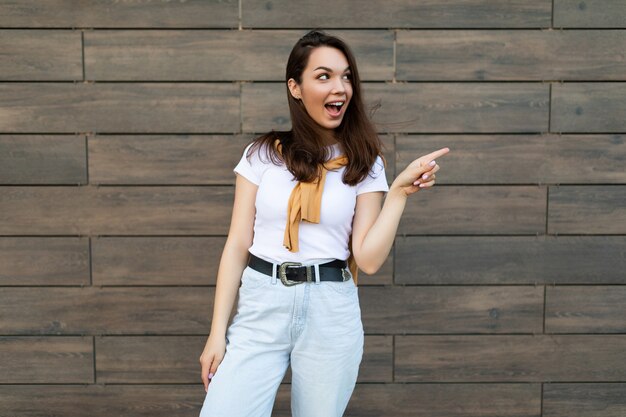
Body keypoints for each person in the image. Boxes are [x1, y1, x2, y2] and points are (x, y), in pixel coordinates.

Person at [198, 30, 449, 417]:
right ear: (295, 87)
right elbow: (236, 246)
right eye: (324, 76)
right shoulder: (263, 155)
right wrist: (217, 334)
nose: (340, 87)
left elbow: (367, 259)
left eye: (346, 76)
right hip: (262, 303)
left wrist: (398, 194)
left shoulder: (365, 162)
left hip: (330, 310)